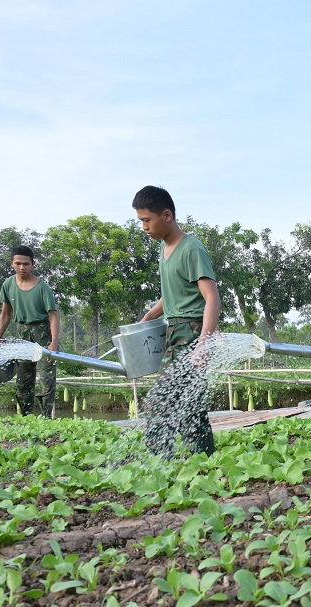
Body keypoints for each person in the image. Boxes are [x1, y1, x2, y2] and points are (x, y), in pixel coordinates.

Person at [133, 185, 221, 457]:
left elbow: (212, 298)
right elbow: (173, 292)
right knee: (180, 404)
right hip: (174, 331)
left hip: (191, 332)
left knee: (179, 404)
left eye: (147, 220)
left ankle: (178, 460)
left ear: (167, 215)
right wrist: (149, 316)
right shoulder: (165, 250)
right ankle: (189, 460)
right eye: (141, 222)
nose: (144, 227)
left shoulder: (191, 249)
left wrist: (203, 343)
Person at [0, 245, 59, 417]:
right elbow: (5, 314)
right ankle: (26, 417)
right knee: (23, 380)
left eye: (26, 264)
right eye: (18, 263)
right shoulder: (8, 285)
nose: (22, 267)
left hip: (42, 332)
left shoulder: (42, 287)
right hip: (21, 334)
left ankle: (46, 418)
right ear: (12, 264)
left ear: (33, 264)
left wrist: (54, 342)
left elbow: (53, 316)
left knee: (46, 379)